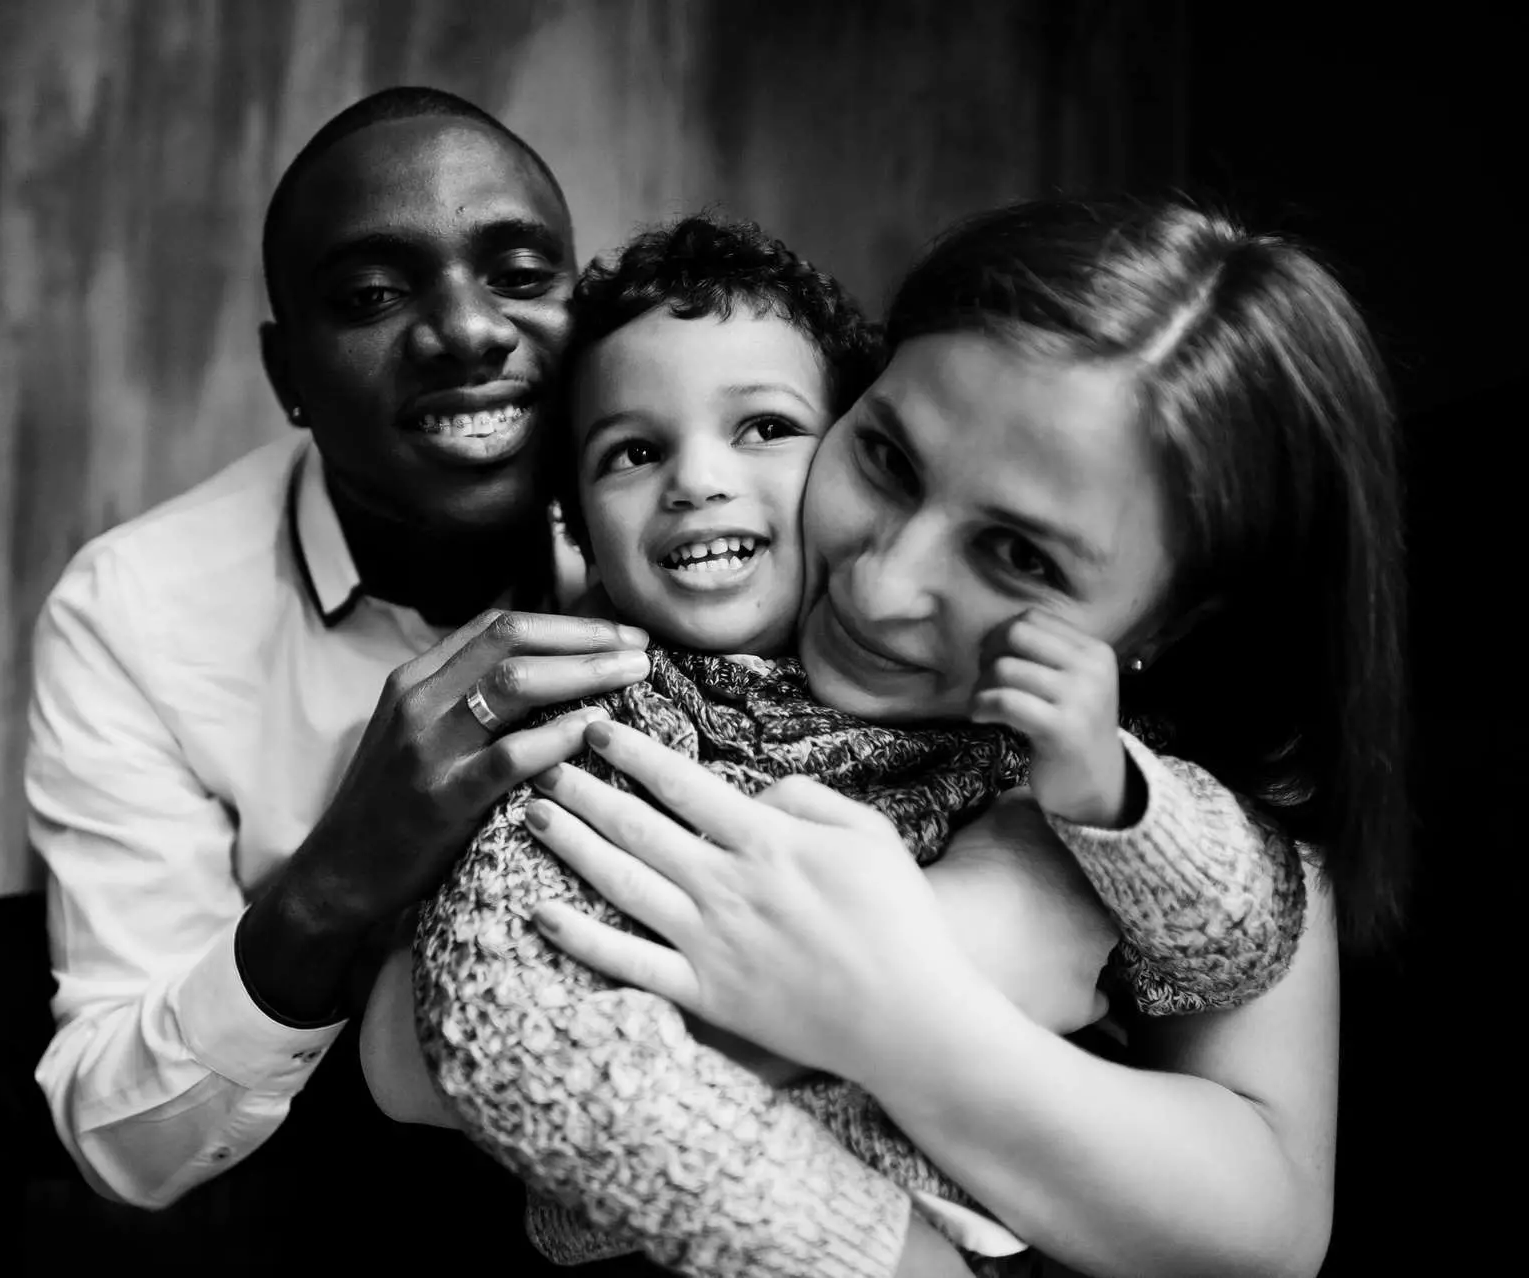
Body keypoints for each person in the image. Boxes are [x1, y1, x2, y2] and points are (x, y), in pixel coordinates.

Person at [0, 88, 1075, 1276]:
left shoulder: (728, 506)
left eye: (517, 273)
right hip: (315, 1035)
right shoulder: (141, 606)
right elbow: (128, 1127)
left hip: (660, 1024)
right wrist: (348, 864)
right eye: (374, 295)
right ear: (288, 376)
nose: (461, 329)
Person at [365, 212, 1302, 1277]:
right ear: (574, 525)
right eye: (891, 462)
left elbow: (1235, 943)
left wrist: (1110, 798)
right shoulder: (603, 731)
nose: (882, 584)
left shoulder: (1049, 727)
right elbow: (513, 1039)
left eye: (763, 428)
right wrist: (872, 1246)